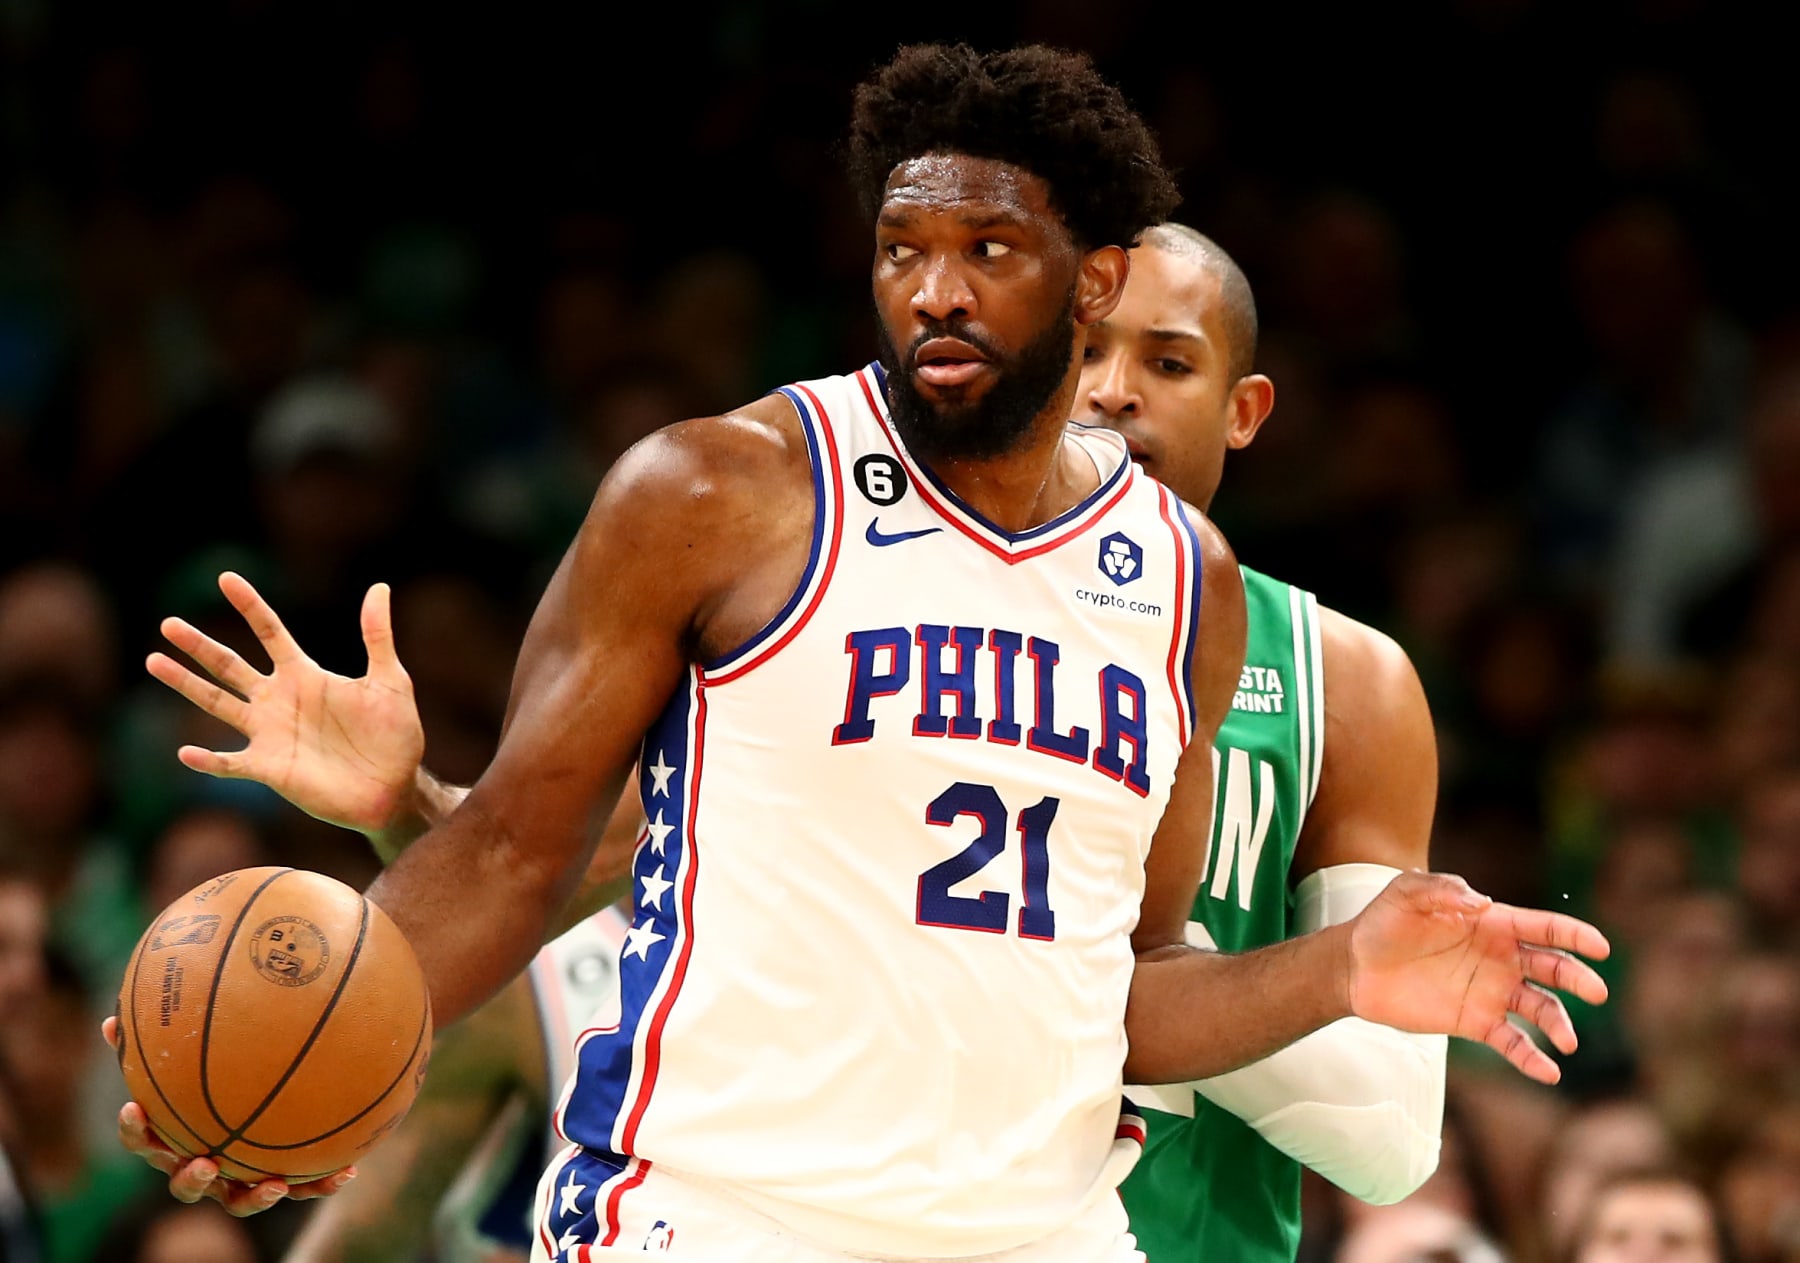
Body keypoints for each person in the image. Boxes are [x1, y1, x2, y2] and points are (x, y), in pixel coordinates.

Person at [116, 43, 1608, 1263]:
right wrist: (315, 1054)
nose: (936, 290)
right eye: (904, 250)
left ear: (1091, 280)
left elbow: (1131, 992)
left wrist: (1342, 966)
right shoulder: (717, 493)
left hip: (1041, 1233)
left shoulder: (1186, 584)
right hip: (723, 1216)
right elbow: (513, 850)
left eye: (988, 250)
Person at [1076, 223, 1447, 1262]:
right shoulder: (898, 615)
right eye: (1083, 350)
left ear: (1242, 410)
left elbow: (1391, 1137)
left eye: (1168, 362)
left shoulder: (1348, 680)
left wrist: (1143, 975)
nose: (1113, 390)